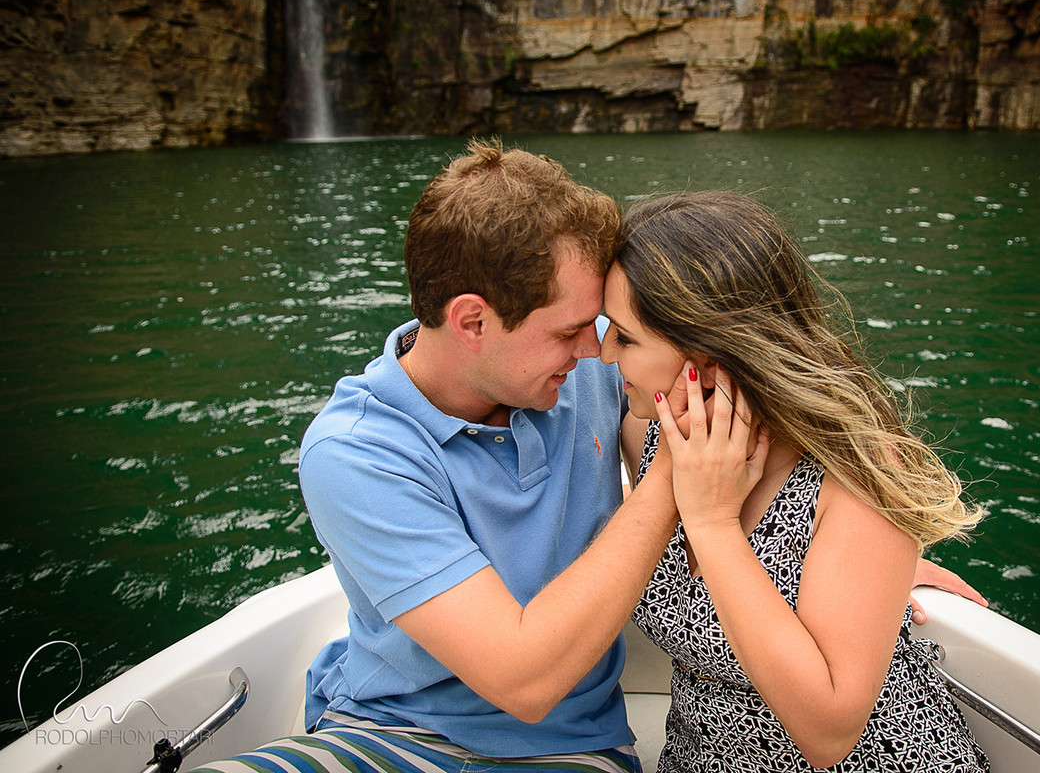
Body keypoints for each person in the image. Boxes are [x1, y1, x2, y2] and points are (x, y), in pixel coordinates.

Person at [189, 144, 981, 773]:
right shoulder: (356, 451)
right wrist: (676, 488)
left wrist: (870, 558)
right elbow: (525, 676)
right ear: (472, 322)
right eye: (575, 331)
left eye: (610, 331)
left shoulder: (602, 378)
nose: (596, 351)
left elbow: (778, 440)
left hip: (570, 751)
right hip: (389, 734)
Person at [601, 190, 990, 772]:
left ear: (705, 359)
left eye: (624, 336)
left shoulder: (855, 472)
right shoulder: (653, 433)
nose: (603, 353)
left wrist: (713, 523)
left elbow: (829, 735)